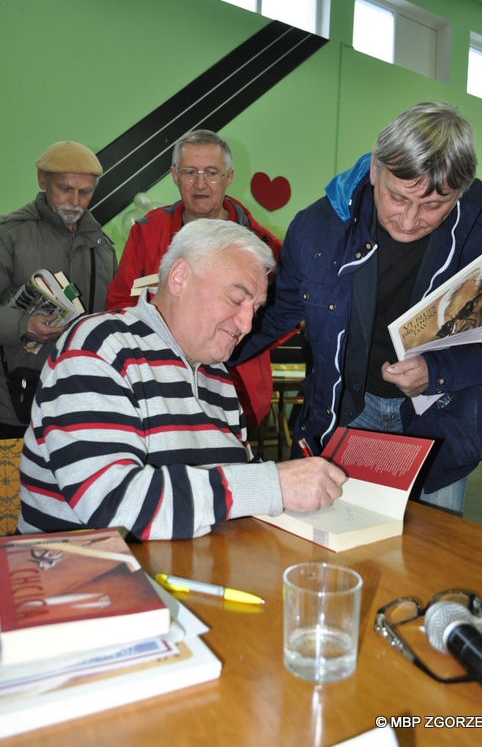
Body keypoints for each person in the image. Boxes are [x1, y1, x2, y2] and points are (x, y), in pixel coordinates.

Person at [232, 102, 482, 515]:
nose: (409, 221)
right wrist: (195, 349)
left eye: (434, 206)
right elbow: (276, 314)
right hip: (346, 413)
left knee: (427, 560)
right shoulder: (321, 226)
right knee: (339, 545)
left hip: (443, 419)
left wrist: (439, 372)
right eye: (398, 198)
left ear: (461, 190)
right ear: (375, 169)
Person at [17, 219, 345, 539]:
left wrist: (286, 485)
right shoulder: (99, 345)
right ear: (179, 277)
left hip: (190, 572)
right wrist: (272, 484)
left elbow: (231, 480)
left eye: (255, 309)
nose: (246, 326)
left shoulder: (216, 373)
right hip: (79, 582)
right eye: (235, 299)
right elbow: (113, 505)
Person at [106, 129, 283, 431]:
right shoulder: (146, 233)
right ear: (174, 176)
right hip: (156, 385)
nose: (200, 183)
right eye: (190, 172)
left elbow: (282, 317)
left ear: (228, 177)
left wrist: (231, 340)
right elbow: (119, 306)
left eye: (211, 172)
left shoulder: (263, 246)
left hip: (237, 387)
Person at [0, 141, 117, 439]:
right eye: (65, 189)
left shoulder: (103, 247)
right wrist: (23, 325)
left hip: (82, 403)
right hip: (15, 407)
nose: (75, 201)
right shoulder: (10, 235)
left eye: (85, 192)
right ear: (43, 180)